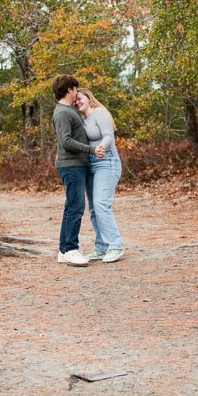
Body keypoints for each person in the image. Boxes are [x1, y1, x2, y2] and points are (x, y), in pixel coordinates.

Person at [75, 88, 125, 263]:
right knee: (94, 208)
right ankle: (102, 247)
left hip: (107, 162)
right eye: (75, 101)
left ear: (88, 98)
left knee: (101, 203)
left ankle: (116, 246)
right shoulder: (82, 120)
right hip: (90, 165)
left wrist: (101, 148)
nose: (77, 102)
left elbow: (108, 136)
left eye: (80, 98)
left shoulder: (100, 112)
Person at [51, 74, 96, 267]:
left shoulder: (67, 111)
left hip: (76, 165)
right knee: (76, 207)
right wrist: (91, 149)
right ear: (69, 89)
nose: (77, 92)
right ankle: (71, 249)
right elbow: (66, 141)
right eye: (75, 89)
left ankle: (64, 250)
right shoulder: (62, 112)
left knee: (71, 206)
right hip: (71, 165)